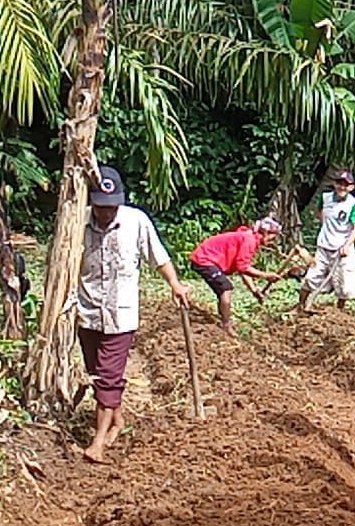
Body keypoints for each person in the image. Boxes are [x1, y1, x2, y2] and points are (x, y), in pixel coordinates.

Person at [77, 165, 191, 464]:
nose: (106, 213)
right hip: (87, 312)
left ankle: (98, 443)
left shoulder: (136, 221)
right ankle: (117, 420)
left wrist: (175, 284)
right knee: (95, 373)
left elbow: (158, 256)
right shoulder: (78, 222)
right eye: (100, 207)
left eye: (111, 207)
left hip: (121, 314)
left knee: (108, 378)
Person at [188, 216, 283, 336]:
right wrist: (266, 275)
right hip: (204, 259)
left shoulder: (249, 238)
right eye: (273, 236)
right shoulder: (249, 240)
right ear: (265, 232)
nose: (273, 241)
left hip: (207, 259)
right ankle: (227, 326)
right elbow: (242, 267)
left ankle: (223, 320)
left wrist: (254, 290)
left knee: (222, 289)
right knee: (226, 289)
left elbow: (243, 268)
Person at [298, 169, 355, 312]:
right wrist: (325, 226)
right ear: (335, 184)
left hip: (343, 249)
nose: (342, 187)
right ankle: (301, 306)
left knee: (344, 285)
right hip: (324, 247)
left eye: (346, 185)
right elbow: (319, 212)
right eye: (340, 183)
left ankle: (339, 312)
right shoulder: (325, 197)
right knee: (311, 278)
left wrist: (347, 245)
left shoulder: (353, 204)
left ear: (351, 187)